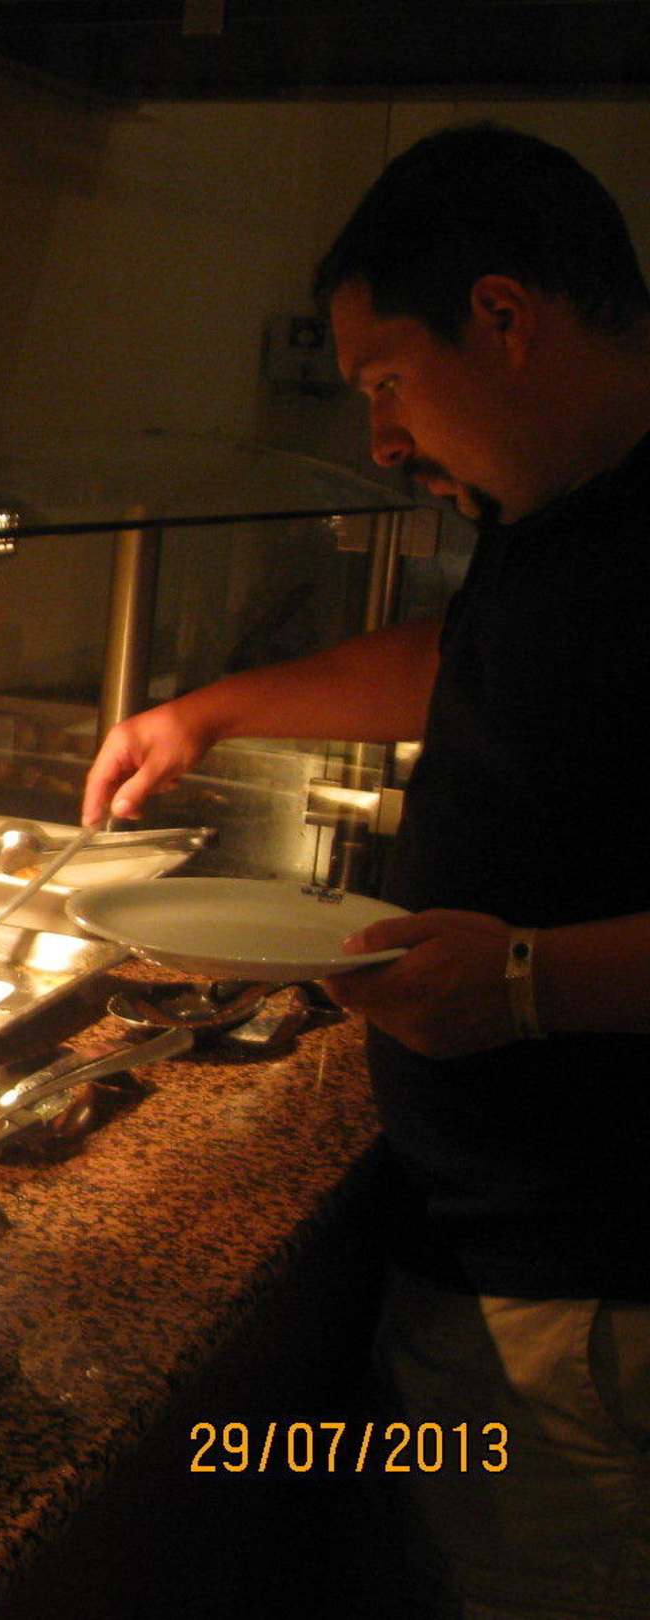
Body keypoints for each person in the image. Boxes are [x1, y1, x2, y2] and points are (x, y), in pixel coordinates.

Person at [84, 123, 650, 1618]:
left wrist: (525, 981)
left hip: (593, 1292)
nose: (384, 440)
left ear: (504, 317)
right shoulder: (560, 508)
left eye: (387, 380)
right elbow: (468, 664)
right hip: (493, 1246)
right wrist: (210, 712)